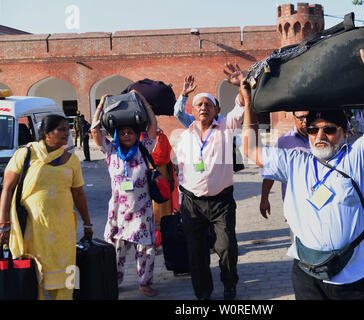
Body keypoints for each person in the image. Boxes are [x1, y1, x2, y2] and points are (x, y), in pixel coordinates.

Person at [241, 33, 364, 300]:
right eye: (313, 129)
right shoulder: (295, 161)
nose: (320, 135)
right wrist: (249, 107)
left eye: (329, 129)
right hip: (307, 273)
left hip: (357, 275)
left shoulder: (356, 158)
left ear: (345, 131)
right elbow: (249, 149)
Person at [0, 114, 93, 300]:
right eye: (61, 129)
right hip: (31, 232)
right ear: (46, 133)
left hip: (63, 233)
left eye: (68, 129)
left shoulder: (72, 161)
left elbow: (79, 194)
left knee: (66, 277)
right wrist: (4, 224)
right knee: (32, 280)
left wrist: (88, 223)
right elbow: (7, 188)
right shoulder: (25, 154)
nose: (67, 133)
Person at [175, 65, 245, 300]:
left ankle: (229, 284)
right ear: (193, 111)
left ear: (216, 110)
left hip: (221, 202)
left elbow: (241, 108)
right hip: (191, 203)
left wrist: (242, 86)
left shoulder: (225, 127)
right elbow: (181, 170)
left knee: (226, 247)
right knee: (196, 253)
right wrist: (180, 201)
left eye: (209, 105)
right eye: (199, 105)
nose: (204, 108)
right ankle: (203, 293)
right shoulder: (186, 133)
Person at [91, 90, 159, 297]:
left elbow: (153, 125)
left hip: (142, 209)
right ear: (118, 135)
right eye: (123, 132)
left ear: (136, 133)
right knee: (116, 251)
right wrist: (101, 105)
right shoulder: (111, 151)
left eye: (130, 131)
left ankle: (144, 282)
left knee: (146, 249)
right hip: (118, 211)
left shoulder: (144, 147)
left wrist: (143, 101)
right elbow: (95, 131)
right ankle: (114, 281)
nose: (127, 135)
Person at [260, 111, 310, 219]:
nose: (305, 121)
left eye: (307, 117)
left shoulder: (322, 138)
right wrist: (264, 199)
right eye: (301, 118)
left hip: (322, 205)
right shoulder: (283, 142)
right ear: (294, 118)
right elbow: (271, 172)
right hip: (294, 207)